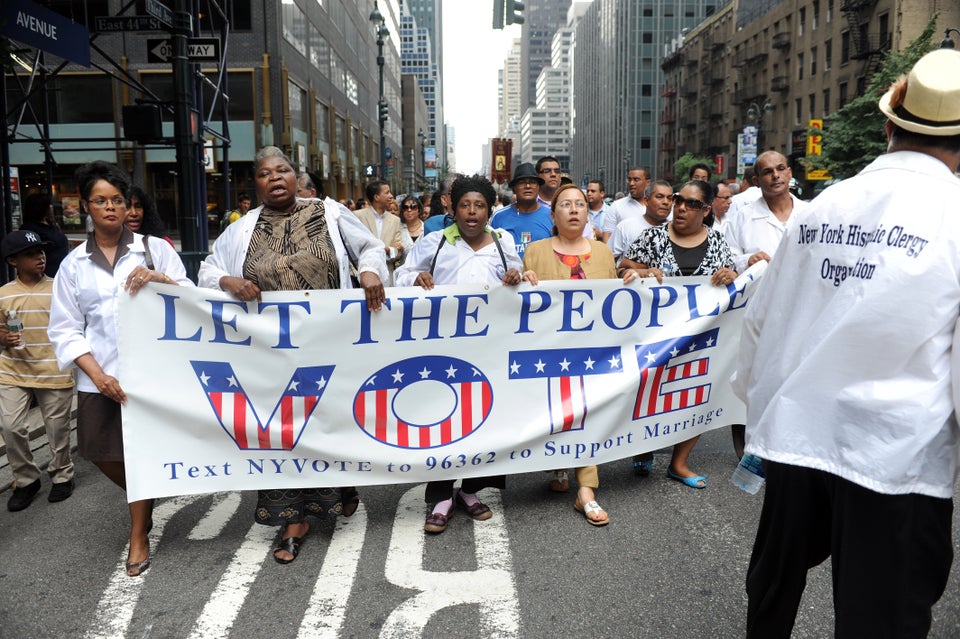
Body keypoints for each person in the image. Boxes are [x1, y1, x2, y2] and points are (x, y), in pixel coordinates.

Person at [734, 49, 960, 638]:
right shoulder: (954, 217)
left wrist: (763, 419)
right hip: (894, 453)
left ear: (889, 125)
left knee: (774, 589)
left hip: (797, 434)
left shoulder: (822, 206)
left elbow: (762, 321)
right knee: (879, 615)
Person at [198, 146, 388, 565]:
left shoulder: (331, 212)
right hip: (269, 350)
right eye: (265, 173)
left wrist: (370, 271)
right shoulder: (241, 229)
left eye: (282, 169)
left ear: (295, 175)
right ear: (257, 183)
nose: (275, 177)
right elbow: (207, 272)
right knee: (282, 428)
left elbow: (371, 248)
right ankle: (292, 519)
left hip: (327, 342)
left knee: (325, 419)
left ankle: (339, 490)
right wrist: (229, 280)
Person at [49, 160, 192, 577]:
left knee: (142, 450)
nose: (110, 208)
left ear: (127, 204)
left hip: (152, 374)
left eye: (117, 200)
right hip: (100, 375)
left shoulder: (153, 248)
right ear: (85, 206)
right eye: (100, 201)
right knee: (96, 450)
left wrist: (158, 277)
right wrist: (97, 375)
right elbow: (66, 329)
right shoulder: (74, 265)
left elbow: (190, 297)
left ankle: (138, 533)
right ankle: (146, 493)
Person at [395, 174, 528, 534]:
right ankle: (440, 497)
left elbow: (521, 280)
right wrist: (415, 280)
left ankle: (470, 490)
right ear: (452, 208)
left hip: (490, 350)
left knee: (486, 420)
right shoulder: (434, 242)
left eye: (479, 205)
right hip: (443, 351)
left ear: (489, 211)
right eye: (465, 205)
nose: (472, 212)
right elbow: (402, 276)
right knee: (444, 420)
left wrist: (518, 277)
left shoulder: (504, 242)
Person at [522, 183, 641, 526]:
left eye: (580, 204)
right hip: (551, 352)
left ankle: (586, 489)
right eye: (565, 205)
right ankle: (559, 463)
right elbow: (517, 302)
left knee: (587, 411)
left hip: (593, 353)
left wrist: (632, 277)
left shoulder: (604, 253)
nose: (574, 209)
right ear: (553, 214)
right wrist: (520, 280)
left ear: (588, 213)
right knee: (557, 409)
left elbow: (616, 295)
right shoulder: (536, 252)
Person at [619, 180, 737, 490]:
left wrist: (732, 276)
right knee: (648, 391)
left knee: (696, 394)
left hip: (701, 337)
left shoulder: (718, 242)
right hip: (654, 337)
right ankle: (642, 447)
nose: (681, 207)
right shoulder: (653, 236)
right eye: (678, 200)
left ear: (706, 210)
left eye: (691, 204)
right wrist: (642, 273)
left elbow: (734, 280)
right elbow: (622, 269)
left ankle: (679, 462)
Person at [0, 231, 76, 511]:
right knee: (11, 427)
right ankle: (26, 479)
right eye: (30, 254)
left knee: (57, 429)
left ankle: (61, 474)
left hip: (54, 369)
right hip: (13, 371)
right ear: (13, 261)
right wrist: (3, 338)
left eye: (41, 252)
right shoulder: (4, 294)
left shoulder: (59, 289)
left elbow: (73, 325)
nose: (39, 257)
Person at [724, 151, 808, 273]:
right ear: (756, 181)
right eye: (768, 172)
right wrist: (748, 260)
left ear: (789, 173)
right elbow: (728, 260)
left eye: (780, 169)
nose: (775, 175)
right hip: (759, 291)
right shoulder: (742, 218)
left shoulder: (810, 213)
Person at [489, 162, 552, 259]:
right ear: (514, 189)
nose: (527, 186)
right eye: (522, 182)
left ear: (538, 187)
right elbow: (490, 252)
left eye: (532, 182)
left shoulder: (552, 216)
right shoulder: (499, 217)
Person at [607, 179, 673, 261]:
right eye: (659, 197)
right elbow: (608, 260)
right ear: (646, 200)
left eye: (670, 198)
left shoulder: (677, 230)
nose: (666, 202)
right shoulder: (625, 227)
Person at [356, 180, 404, 284]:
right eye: (387, 193)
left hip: (387, 278)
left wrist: (390, 250)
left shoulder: (395, 220)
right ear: (376, 197)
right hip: (364, 277)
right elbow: (355, 247)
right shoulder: (358, 217)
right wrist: (385, 248)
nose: (391, 196)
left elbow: (399, 250)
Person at [19, 193, 69, 277]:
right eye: (49, 205)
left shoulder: (51, 224)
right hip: (46, 274)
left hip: (62, 271)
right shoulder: (29, 228)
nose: (51, 207)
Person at [600, 167, 651, 242]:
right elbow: (607, 237)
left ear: (648, 182)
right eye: (629, 180)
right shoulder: (616, 206)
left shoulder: (655, 206)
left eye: (636, 180)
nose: (631, 183)